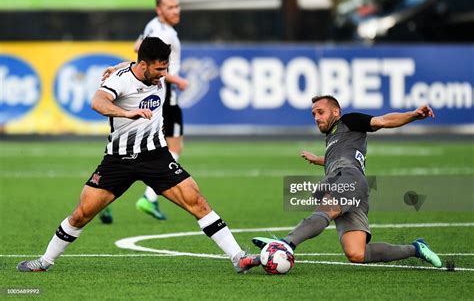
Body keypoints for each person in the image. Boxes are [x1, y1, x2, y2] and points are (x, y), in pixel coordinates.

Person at [17, 37, 259, 273]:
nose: (163, 74)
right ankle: (44, 261)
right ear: (144, 65)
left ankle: (238, 257)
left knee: (198, 202)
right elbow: (97, 102)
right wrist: (126, 112)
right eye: (159, 68)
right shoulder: (119, 81)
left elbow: (131, 65)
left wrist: (122, 65)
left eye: (166, 68)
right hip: (118, 160)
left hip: (156, 156)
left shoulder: (146, 71)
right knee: (82, 214)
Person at [252, 95, 443, 268]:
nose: (317, 117)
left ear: (336, 111)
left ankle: (285, 243)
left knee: (324, 212)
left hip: (348, 178)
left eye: (320, 112)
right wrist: (319, 159)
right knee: (357, 253)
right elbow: (341, 157)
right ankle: (416, 249)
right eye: (313, 114)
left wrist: (414, 115)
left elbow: (383, 121)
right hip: (353, 186)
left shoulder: (349, 121)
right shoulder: (333, 138)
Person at [99, 0, 188, 223]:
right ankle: (150, 197)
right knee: (172, 146)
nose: (175, 11)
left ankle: (104, 198)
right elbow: (154, 67)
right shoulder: (164, 33)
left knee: (136, 152)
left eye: (177, 6)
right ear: (159, 10)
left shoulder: (152, 26)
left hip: (157, 94)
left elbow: (138, 48)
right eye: (170, 7)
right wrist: (179, 80)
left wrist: (121, 66)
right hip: (163, 95)